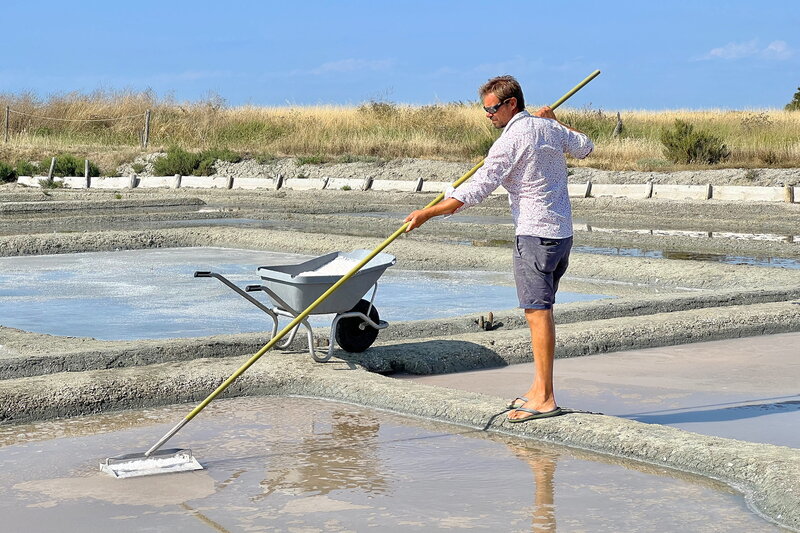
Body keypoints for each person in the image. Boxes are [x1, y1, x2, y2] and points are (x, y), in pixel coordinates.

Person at [404, 75, 593, 422]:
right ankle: (539, 389)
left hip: (535, 236)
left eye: (492, 109)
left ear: (511, 105)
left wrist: (426, 213)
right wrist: (555, 122)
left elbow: (474, 191)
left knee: (538, 314)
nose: (488, 116)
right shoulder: (547, 129)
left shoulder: (512, 140)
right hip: (561, 235)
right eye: (485, 111)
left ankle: (546, 398)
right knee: (540, 311)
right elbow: (585, 145)